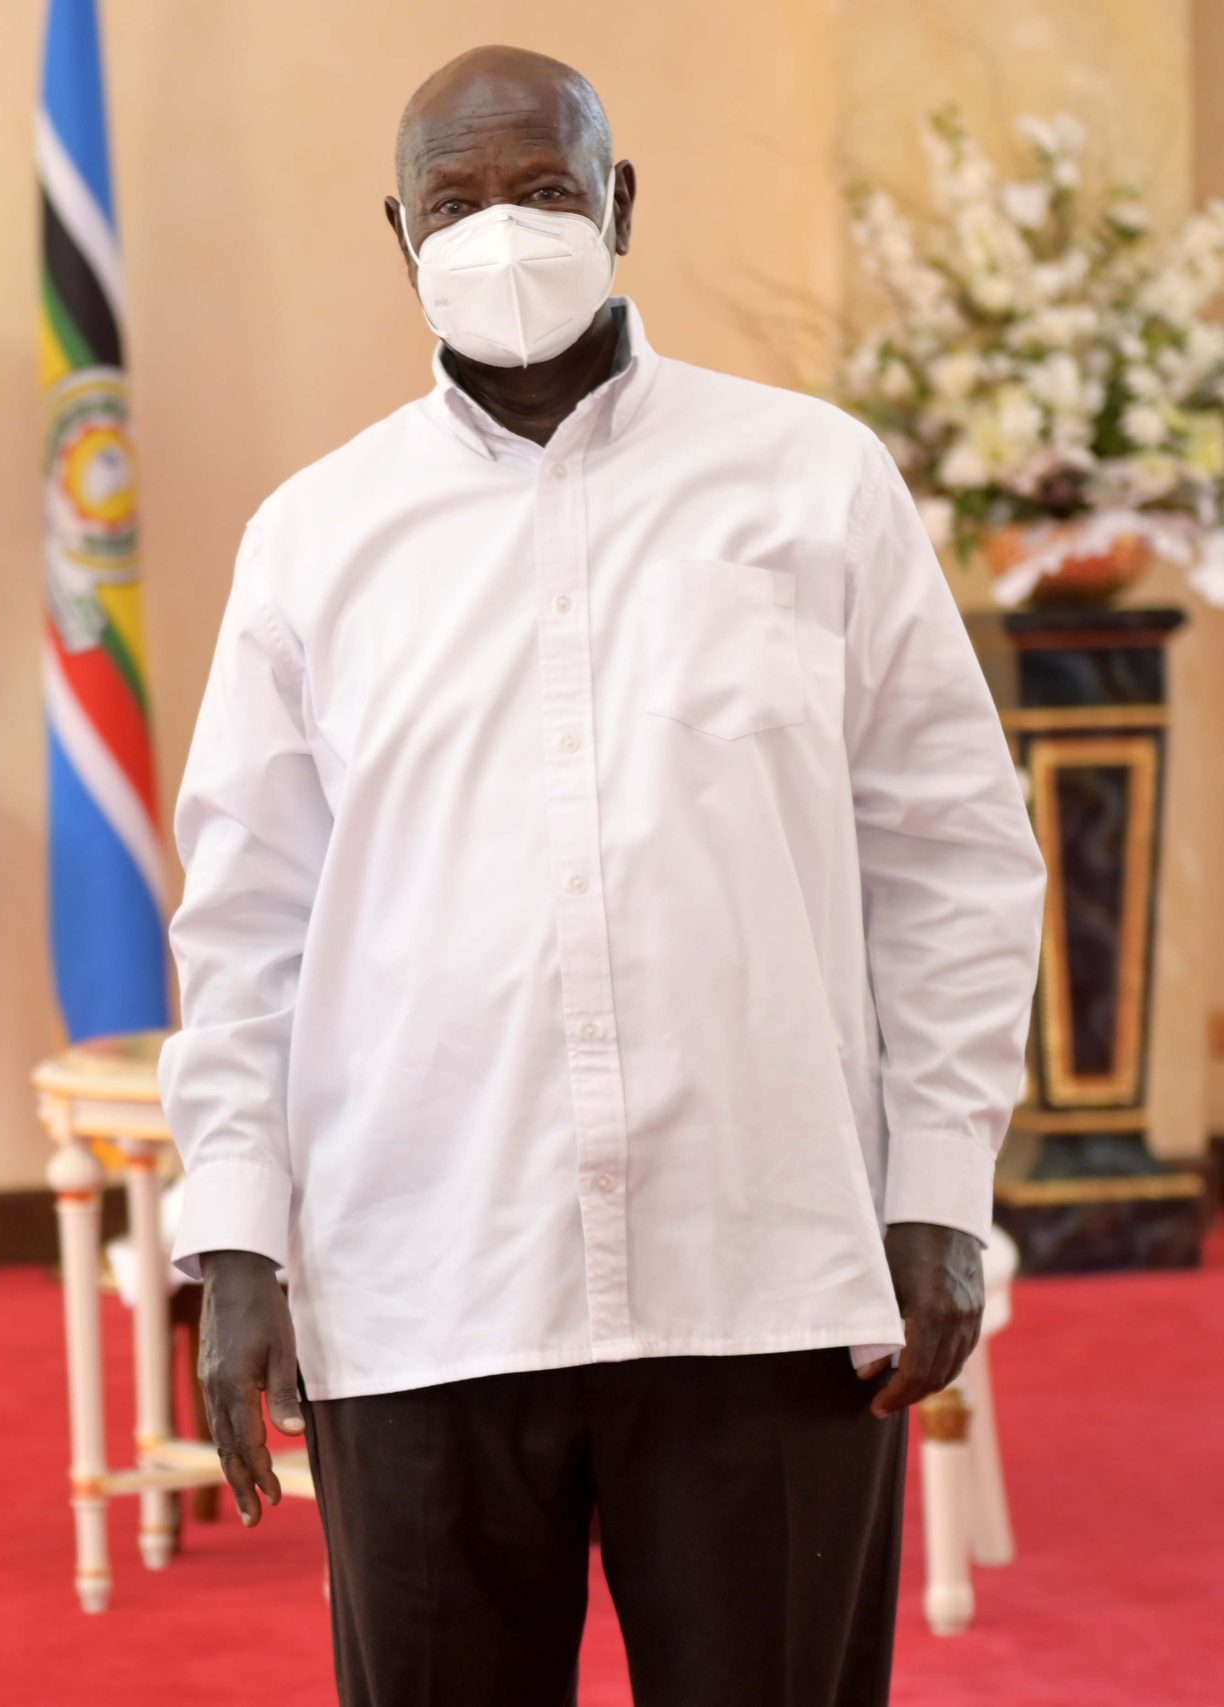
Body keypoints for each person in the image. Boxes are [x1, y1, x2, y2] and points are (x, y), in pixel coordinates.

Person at [164, 44, 1045, 1707]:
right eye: (457, 204)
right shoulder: (314, 536)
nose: (505, 235)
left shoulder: (814, 480)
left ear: (621, 202)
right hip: (426, 1277)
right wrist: (236, 1244)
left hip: (763, 1273)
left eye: (547, 192)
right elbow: (247, 923)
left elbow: (953, 855)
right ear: (398, 235)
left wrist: (937, 1192)